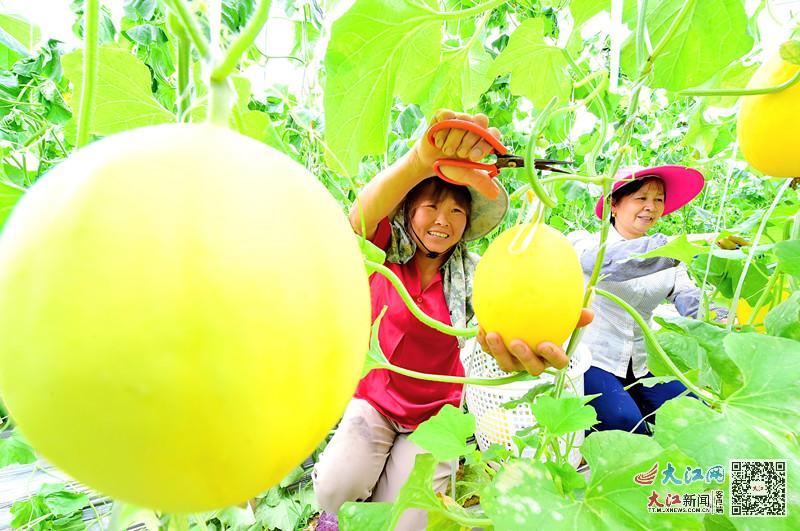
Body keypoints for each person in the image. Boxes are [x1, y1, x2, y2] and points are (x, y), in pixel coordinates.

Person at [313, 111, 592, 530]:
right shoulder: (385, 252)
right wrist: (418, 162)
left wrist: (529, 334)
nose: (443, 220)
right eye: (431, 205)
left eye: (457, 210)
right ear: (409, 209)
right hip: (376, 400)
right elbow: (357, 222)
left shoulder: (481, 275)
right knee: (334, 488)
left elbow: (505, 321)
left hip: (436, 416)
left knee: (406, 521)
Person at [568, 165, 743, 436]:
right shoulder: (585, 243)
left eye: (658, 200)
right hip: (593, 360)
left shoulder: (672, 259)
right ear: (614, 205)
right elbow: (613, 261)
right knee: (625, 423)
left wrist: (721, 317)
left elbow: (689, 298)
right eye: (641, 198)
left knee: (694, 415)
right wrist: (693, 242)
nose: (651, 207)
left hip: (640, 363)